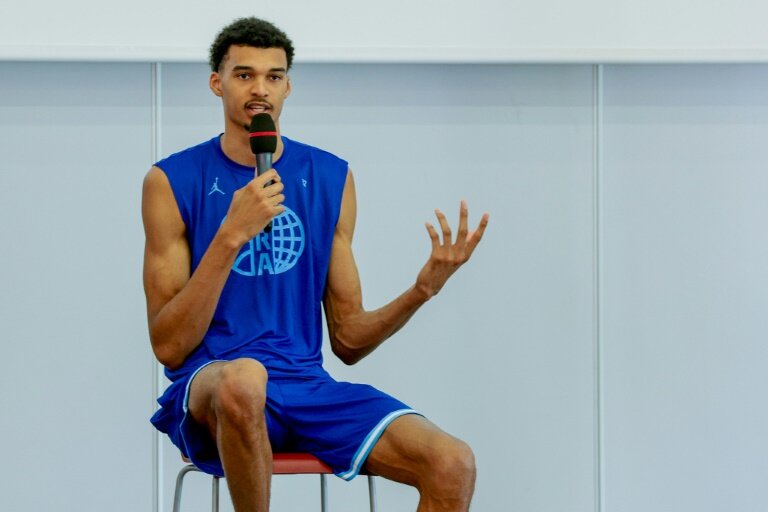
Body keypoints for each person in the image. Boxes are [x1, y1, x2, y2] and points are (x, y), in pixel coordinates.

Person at [142, 16, 489, 512]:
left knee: (453, 462)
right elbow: (169, 346)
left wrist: (421, 291)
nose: (260, 89)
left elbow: (348, 340)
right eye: (244, 75)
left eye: (274, 76)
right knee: (245, 379)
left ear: (288, 87)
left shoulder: (330, 177)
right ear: (217, 83)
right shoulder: (170, 181)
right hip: (213, 385)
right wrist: (230, 234)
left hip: (304, 384)